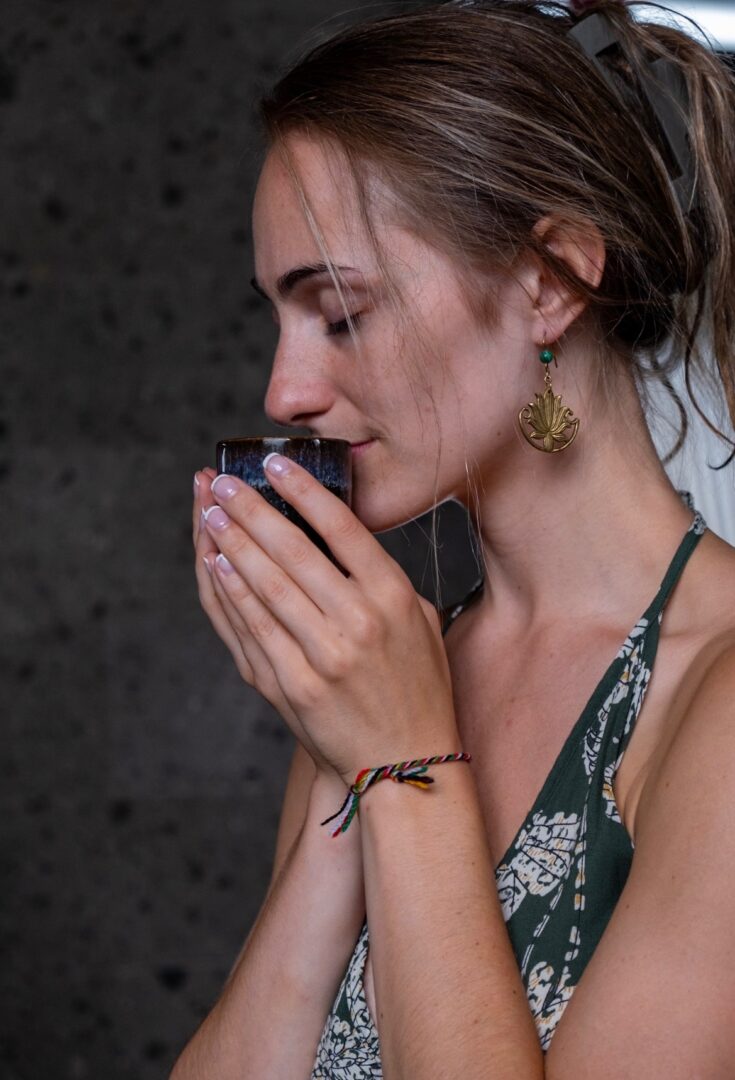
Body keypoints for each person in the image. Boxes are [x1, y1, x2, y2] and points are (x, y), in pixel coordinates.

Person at [171, 0, 735, 1075]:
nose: (284, 392)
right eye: (277, 319)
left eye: (341, 313)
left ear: (549, 281)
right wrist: (349, 761)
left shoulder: (718, 698)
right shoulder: (390, 668)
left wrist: (404, 766)